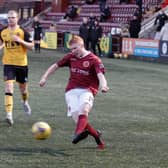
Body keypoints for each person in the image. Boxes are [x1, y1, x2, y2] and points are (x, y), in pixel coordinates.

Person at [39, 35, 109, 149]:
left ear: (82, 45)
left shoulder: (94, 60)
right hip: (71, 91)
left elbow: (100, 75)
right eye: (71, 49)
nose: (73, 51)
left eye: (75, 48)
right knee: (80, 121)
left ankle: (77, 135)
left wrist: (104, 86)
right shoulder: (70, 57)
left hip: (87, 90)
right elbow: (55, 66)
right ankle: (96, 136)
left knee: (84, 110)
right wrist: (44, 77)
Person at [0, 10, 34, 126]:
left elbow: (32, 47)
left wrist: (20, 40)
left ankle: (24, 101)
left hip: (21, 64)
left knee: (23, 89)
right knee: (9, 88)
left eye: (13, 17)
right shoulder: (3, 31)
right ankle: (9, 115)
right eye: (9, 17)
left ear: (17, 18)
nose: (10, 19)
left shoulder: (23, 31)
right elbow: (2, 42)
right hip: (8, 64)